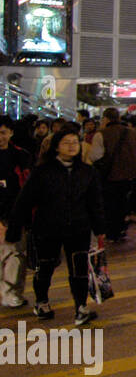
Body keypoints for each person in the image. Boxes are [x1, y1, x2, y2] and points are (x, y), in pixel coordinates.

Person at [5, 124, 105, 325]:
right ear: (56, 146)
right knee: (45, 267)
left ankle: (80, 308)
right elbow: (25, 201)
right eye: (66, 143)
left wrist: (100, 229)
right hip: (48, 228)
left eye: (75, 142)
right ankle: (42, 302)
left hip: (79, 228)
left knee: (79, 270)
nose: (71, 146)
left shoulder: (87, 172)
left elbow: (95, 202)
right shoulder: (42, 171)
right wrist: (15, 227)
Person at [90, 106, 136, 243]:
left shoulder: (101, 134)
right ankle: (121, 228)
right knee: (123, 202)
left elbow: (95, 156)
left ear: (105, 119)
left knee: (109, 204)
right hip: (129, 175)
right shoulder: (132, 133)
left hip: (109, 176)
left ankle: (112, 231)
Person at [0, 117, 32, 307]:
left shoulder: (21, 155)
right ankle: (6, 292)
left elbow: (28, 187)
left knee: (16, 257)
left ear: (11, 133)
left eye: (3, 132)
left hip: (16, 215)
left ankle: (13, 294)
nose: (0, 137)